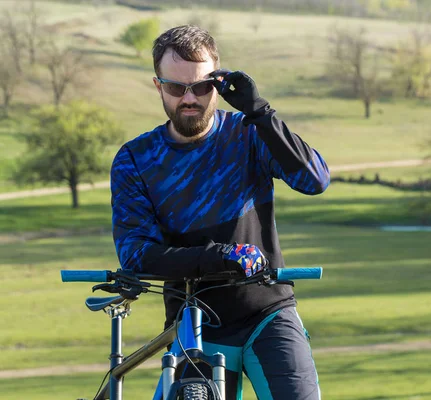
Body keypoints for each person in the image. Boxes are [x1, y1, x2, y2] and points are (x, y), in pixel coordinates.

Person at [110, 25, 329, 400]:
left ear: (218, 83)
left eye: (202, 86)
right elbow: (137, 254)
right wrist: (220, 258)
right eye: (177, 88)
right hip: (194, 324)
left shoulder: (249, 133)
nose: (190, 98)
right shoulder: (135, 159)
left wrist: (260, 111)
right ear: (158, 85)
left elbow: (314, 179)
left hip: (268, 312)